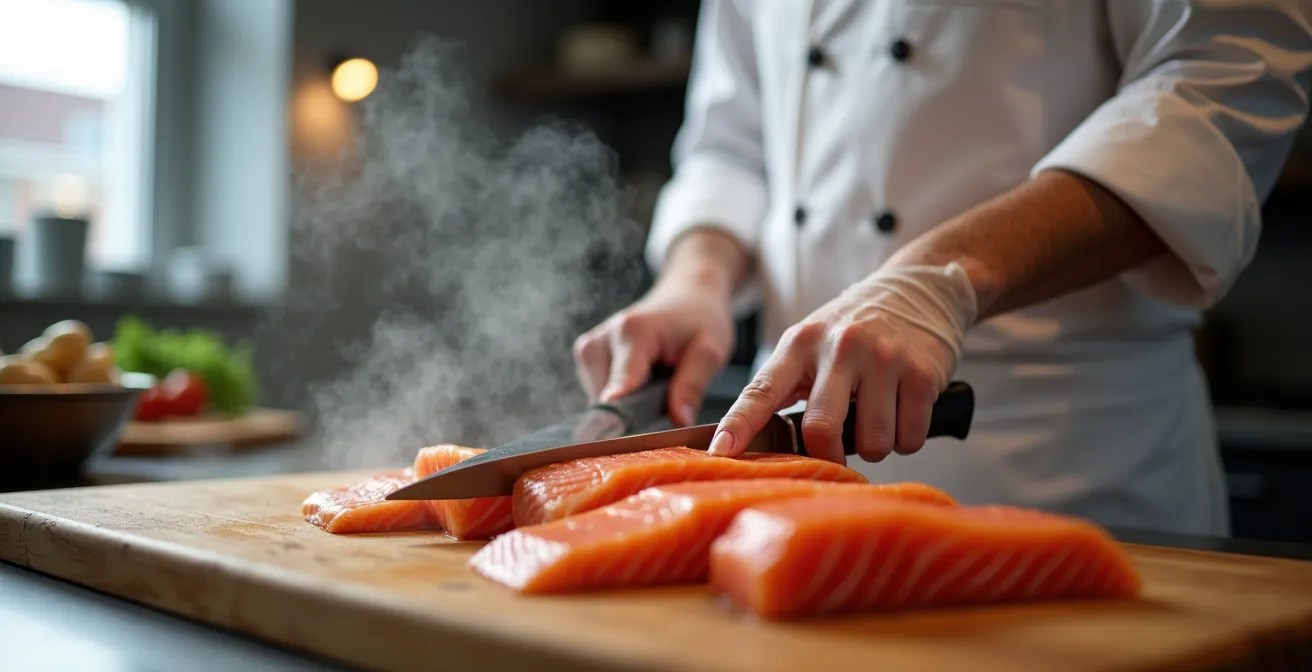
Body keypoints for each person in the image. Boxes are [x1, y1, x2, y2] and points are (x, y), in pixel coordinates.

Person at [572, 0, 1312, 536]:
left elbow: (1218, 84)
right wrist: (695, 282)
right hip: (791, 480)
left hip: (1058, 473)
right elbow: (729, 143)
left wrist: (937, 279)